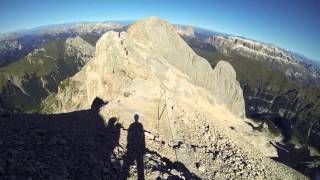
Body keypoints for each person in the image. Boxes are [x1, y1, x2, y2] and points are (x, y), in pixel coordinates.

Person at [123, 114, 145, 180]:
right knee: (138, 160)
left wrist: (129, 141)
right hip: (136, 144)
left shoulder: (132, 125)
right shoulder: (139, 125)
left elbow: (129, 135)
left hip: (134, 144)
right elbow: (141, 135)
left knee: (134, 158)